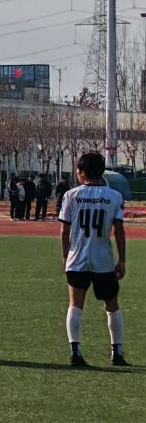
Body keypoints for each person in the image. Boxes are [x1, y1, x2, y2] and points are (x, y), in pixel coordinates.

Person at [58, 151, 128, 367]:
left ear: (82, 172)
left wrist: (65, 255)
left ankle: (75, 352)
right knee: (112, 305)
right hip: (103, 260)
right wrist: (122, 260)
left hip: (77, 258)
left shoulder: (71, 195)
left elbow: (64, 231)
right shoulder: (114, 196)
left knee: (75, 304)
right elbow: (119, 231)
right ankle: (117, 352)